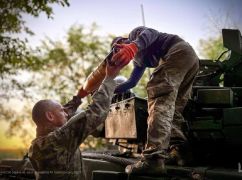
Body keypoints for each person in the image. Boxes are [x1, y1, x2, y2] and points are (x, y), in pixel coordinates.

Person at [111, 26, 199, 175]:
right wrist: (109, 90)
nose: (119, 52)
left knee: (158, 96)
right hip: (190, 59)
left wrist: (132, 45)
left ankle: (153, 159)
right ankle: (178, 152)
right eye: (116, 52)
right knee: (173, 108)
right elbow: (132, 82)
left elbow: (150, 33)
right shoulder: (139, 61)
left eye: (120, 46)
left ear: (124, 41)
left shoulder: (136, 34)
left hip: (177, 51)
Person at [28, 61, 123, 180]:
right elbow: (96, 112)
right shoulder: (57, 141)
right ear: (50, 117)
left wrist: (78, 97)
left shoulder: (39, 144)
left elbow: (65, 112)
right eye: (61, 111)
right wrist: (109, 78)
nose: (66, 114)